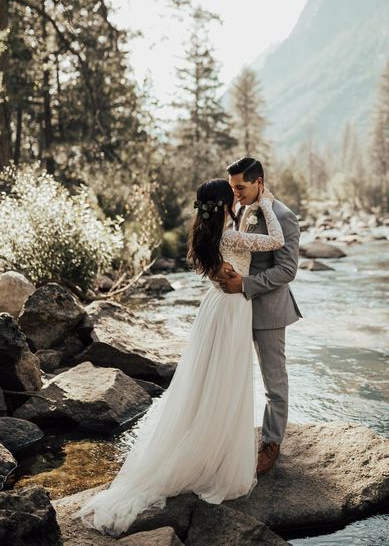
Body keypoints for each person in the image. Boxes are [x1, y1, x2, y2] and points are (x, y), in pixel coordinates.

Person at [72, 178, 285, 538]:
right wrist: (266, 203)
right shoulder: (231, 236)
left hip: (216, 309)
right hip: (232, 311)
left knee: (206, 380)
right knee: (224, 382)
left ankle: (204, 445)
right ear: (222, 204)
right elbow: (276, 240)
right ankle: (211, 459)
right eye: (231, 195)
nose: (238, 197)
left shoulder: (205, 236)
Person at [217, 157, 302, 476]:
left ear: (259, 183)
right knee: (230, 377)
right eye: (232, 187)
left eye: (241, 187)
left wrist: (245, 285)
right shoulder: (238, 209)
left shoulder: (284, 216)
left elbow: (287, 270)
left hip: (267, 311)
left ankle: (271, 443)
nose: (235, 193)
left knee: (273, 382)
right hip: (234, 310)